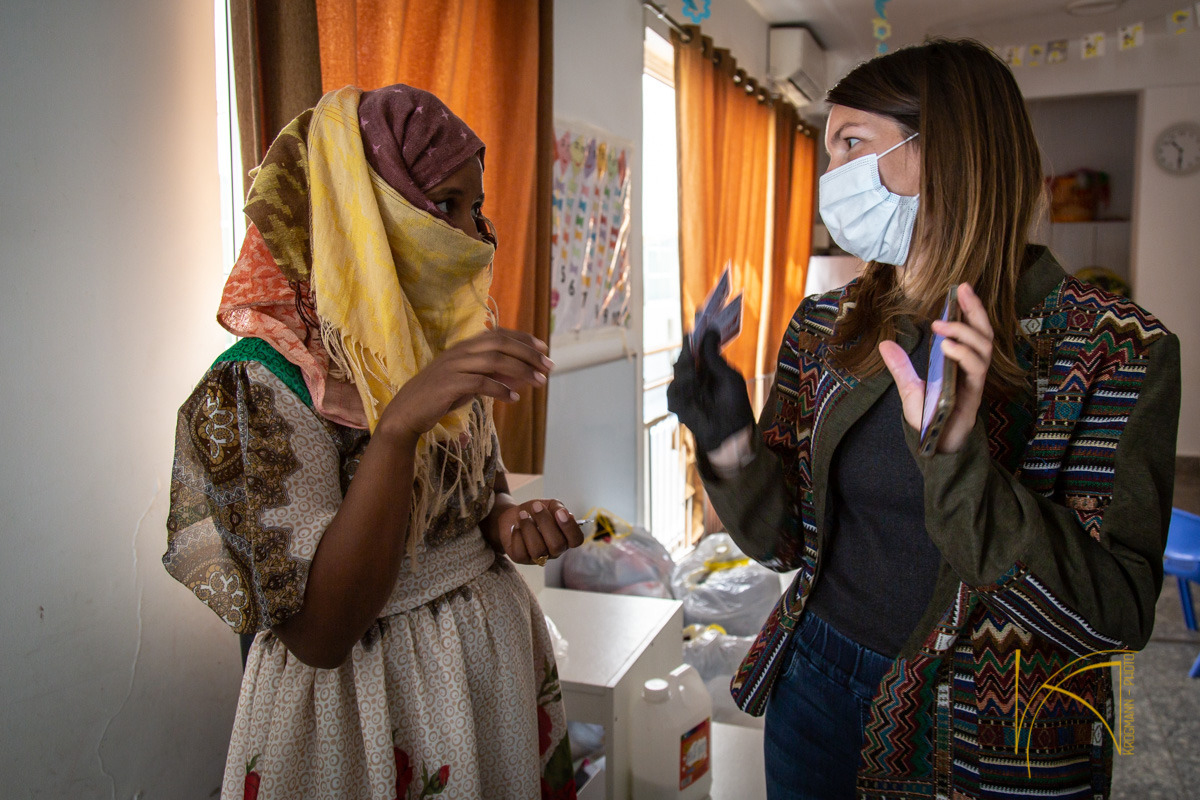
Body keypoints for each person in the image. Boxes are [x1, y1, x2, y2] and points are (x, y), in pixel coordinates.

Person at [668, 38, 1180, 799]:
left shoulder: (1111, 348)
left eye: (852, 143)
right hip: (815, 683)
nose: (830, 177)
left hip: (996, 730)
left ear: (948, 152)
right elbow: (784, 546)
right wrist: (729, 440)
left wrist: (960, 465)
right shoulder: (824, 328)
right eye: (827, 147)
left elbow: (1114, 613)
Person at [164, 84, 581, 800]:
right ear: (356, 210)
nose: (474, 235)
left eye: (475, 208)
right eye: (444, 205)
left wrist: (509, 522)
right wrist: (395, 433)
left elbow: (480, 489)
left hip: (485, 676)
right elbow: (322, 634)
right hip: (362, 704)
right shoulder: (256, 390)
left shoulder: (431, 340)